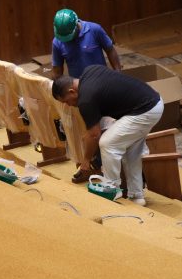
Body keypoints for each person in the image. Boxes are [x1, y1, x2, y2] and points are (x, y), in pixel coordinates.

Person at [52, 66, 163, 206]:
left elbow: (94, 135)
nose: (68, 105)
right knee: (131, 151)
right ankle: (136, 196)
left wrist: (86, 161)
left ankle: (112, 190)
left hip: (144, 110)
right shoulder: (90, 71)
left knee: (107, 143)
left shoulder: (85, 100)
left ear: (71, 91)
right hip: (152, 102)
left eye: (66, 101)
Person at [51, 8, 122, 79]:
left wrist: (118, 72)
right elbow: (57, 71)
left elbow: (110, 50)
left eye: (68, 36)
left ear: (76, 25)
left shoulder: (95, 29)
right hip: (79, 85)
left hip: (101, 80)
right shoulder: (57, 42)